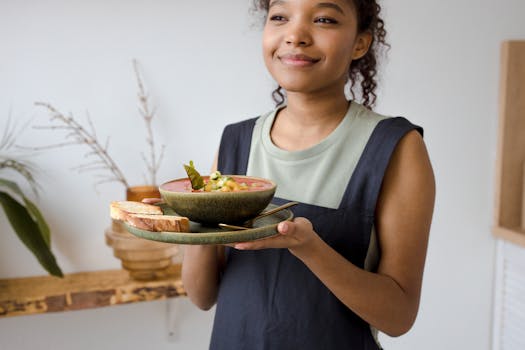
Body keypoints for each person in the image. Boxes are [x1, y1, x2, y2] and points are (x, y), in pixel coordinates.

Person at [182, 0, 435, 349]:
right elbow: (201, 296)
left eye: (324, 19)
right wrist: (195, 217)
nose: (295, 35)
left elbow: (399, 317)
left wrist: (310, 248)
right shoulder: (235, 142)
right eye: (280, 17)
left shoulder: (395, 147)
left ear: (360, 42)